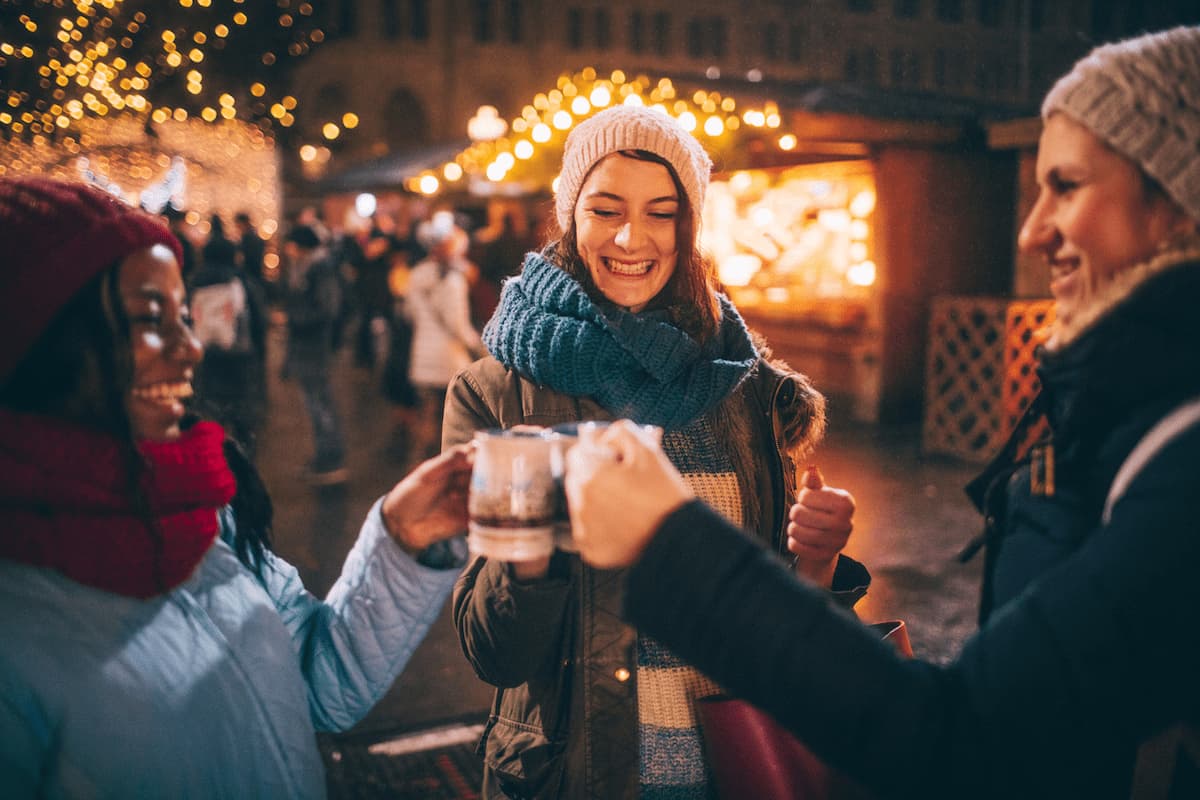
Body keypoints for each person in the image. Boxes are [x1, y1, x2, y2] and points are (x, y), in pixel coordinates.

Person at [563, 26, 1200, 800]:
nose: (1032, 230)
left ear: (1178, 201)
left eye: (1065, 185)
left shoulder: (1178, 456)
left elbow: (962, 738)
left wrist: (674, 544)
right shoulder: (1115, 406)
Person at [442, 105, 868, 798]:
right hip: (578, 777)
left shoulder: (742, 384)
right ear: (570, 216)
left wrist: (815, 565)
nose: (631, 236)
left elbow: (772, 618)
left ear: (690, 226)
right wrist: (532, 544)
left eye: (662, 212)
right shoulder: (497, 394)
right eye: (606, 209)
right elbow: (496, 653)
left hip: (737, 768)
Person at [0, 176, 475, 798]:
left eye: (183, 316)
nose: (190, 347)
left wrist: (400, 542)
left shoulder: (204, 510)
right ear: (36, 343)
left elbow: (322, 685)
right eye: (149, 319)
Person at [410, 210, 484, 462]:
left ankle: (421, 464)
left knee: (427, 416)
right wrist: (479, 347)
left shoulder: (417, 274)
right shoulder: (453, 281)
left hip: (422, 357)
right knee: (453, 422)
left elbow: (410, 314)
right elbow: (458, 325)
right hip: (448, 360)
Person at [281, 224, 349, 484]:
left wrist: (293, 318)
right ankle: (324, 455)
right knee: (314, 403)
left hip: (316, 347)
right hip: (306, 347)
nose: (288, 250)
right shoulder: (306, 267)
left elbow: (327, 309)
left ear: (300, 246)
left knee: (321, 402)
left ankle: (332, 458)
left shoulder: (321, 269)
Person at [234, 210, 266, 286]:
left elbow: (247, 258)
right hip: (255, 274)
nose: (237, 228)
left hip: (250, 275)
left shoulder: (248, 238)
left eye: (238, 225)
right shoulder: (254, 236)